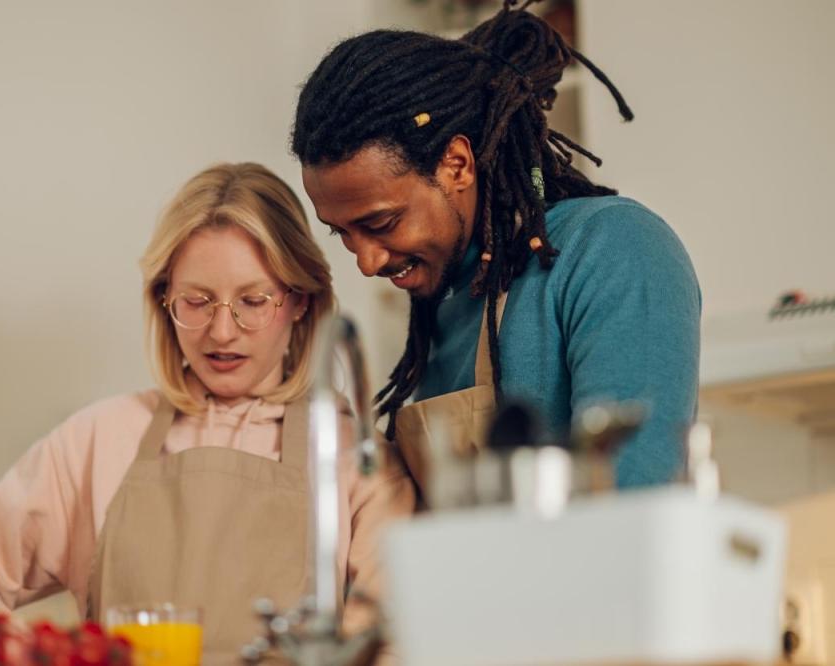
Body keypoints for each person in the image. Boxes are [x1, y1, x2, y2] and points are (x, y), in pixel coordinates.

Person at [0, 163, 415, 661]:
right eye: (196, 301)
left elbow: (397, 639)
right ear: (163, 298)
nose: (221, 331)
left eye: (253, 301)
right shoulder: (98, 440)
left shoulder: (354, 459)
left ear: (301, 300)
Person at [292, 1, 700, 491]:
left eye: (382, 222)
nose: (366, 261)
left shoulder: (614, 249)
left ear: (457, 164)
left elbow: (635, 502)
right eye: (342, 233)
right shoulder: (443, 301)